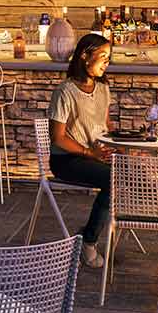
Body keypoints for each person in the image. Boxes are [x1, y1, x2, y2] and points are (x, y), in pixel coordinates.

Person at [47, 32, 115, 267]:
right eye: (103, 56)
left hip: (95, 156)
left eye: (109, 57)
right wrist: (89, 153)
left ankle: (95, 229)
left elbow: (105, 126)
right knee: (113, 179)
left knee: (136, 173)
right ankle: (89, 241)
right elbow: (57, 138)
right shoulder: (65, 92)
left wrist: (120, 147)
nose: (107, 63)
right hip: (67, 160)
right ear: (85, 56)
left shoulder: (103, 90)